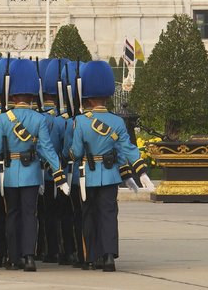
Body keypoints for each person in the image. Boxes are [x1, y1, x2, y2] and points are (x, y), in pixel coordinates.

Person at [69, 60, 151, 273]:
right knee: (108, 215)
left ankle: (92, 256)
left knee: (89, 215)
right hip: (111, 175)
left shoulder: (81, 121)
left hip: (87, 175)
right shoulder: (116, 122)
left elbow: (76, 152)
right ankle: (108, 257)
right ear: (107, 95)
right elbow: (128, 148)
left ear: (87, 96)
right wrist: (141, 171)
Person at [0, 58, 68, 272]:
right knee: (30, 216)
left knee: (12, 215)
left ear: (12, 95)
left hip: (11, 174)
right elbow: (47, 149)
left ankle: (14, 258)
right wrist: (59, 173)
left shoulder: (4, 119)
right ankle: (29, 257)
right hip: (32, 173)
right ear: (33, 95)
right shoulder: (39, 119)